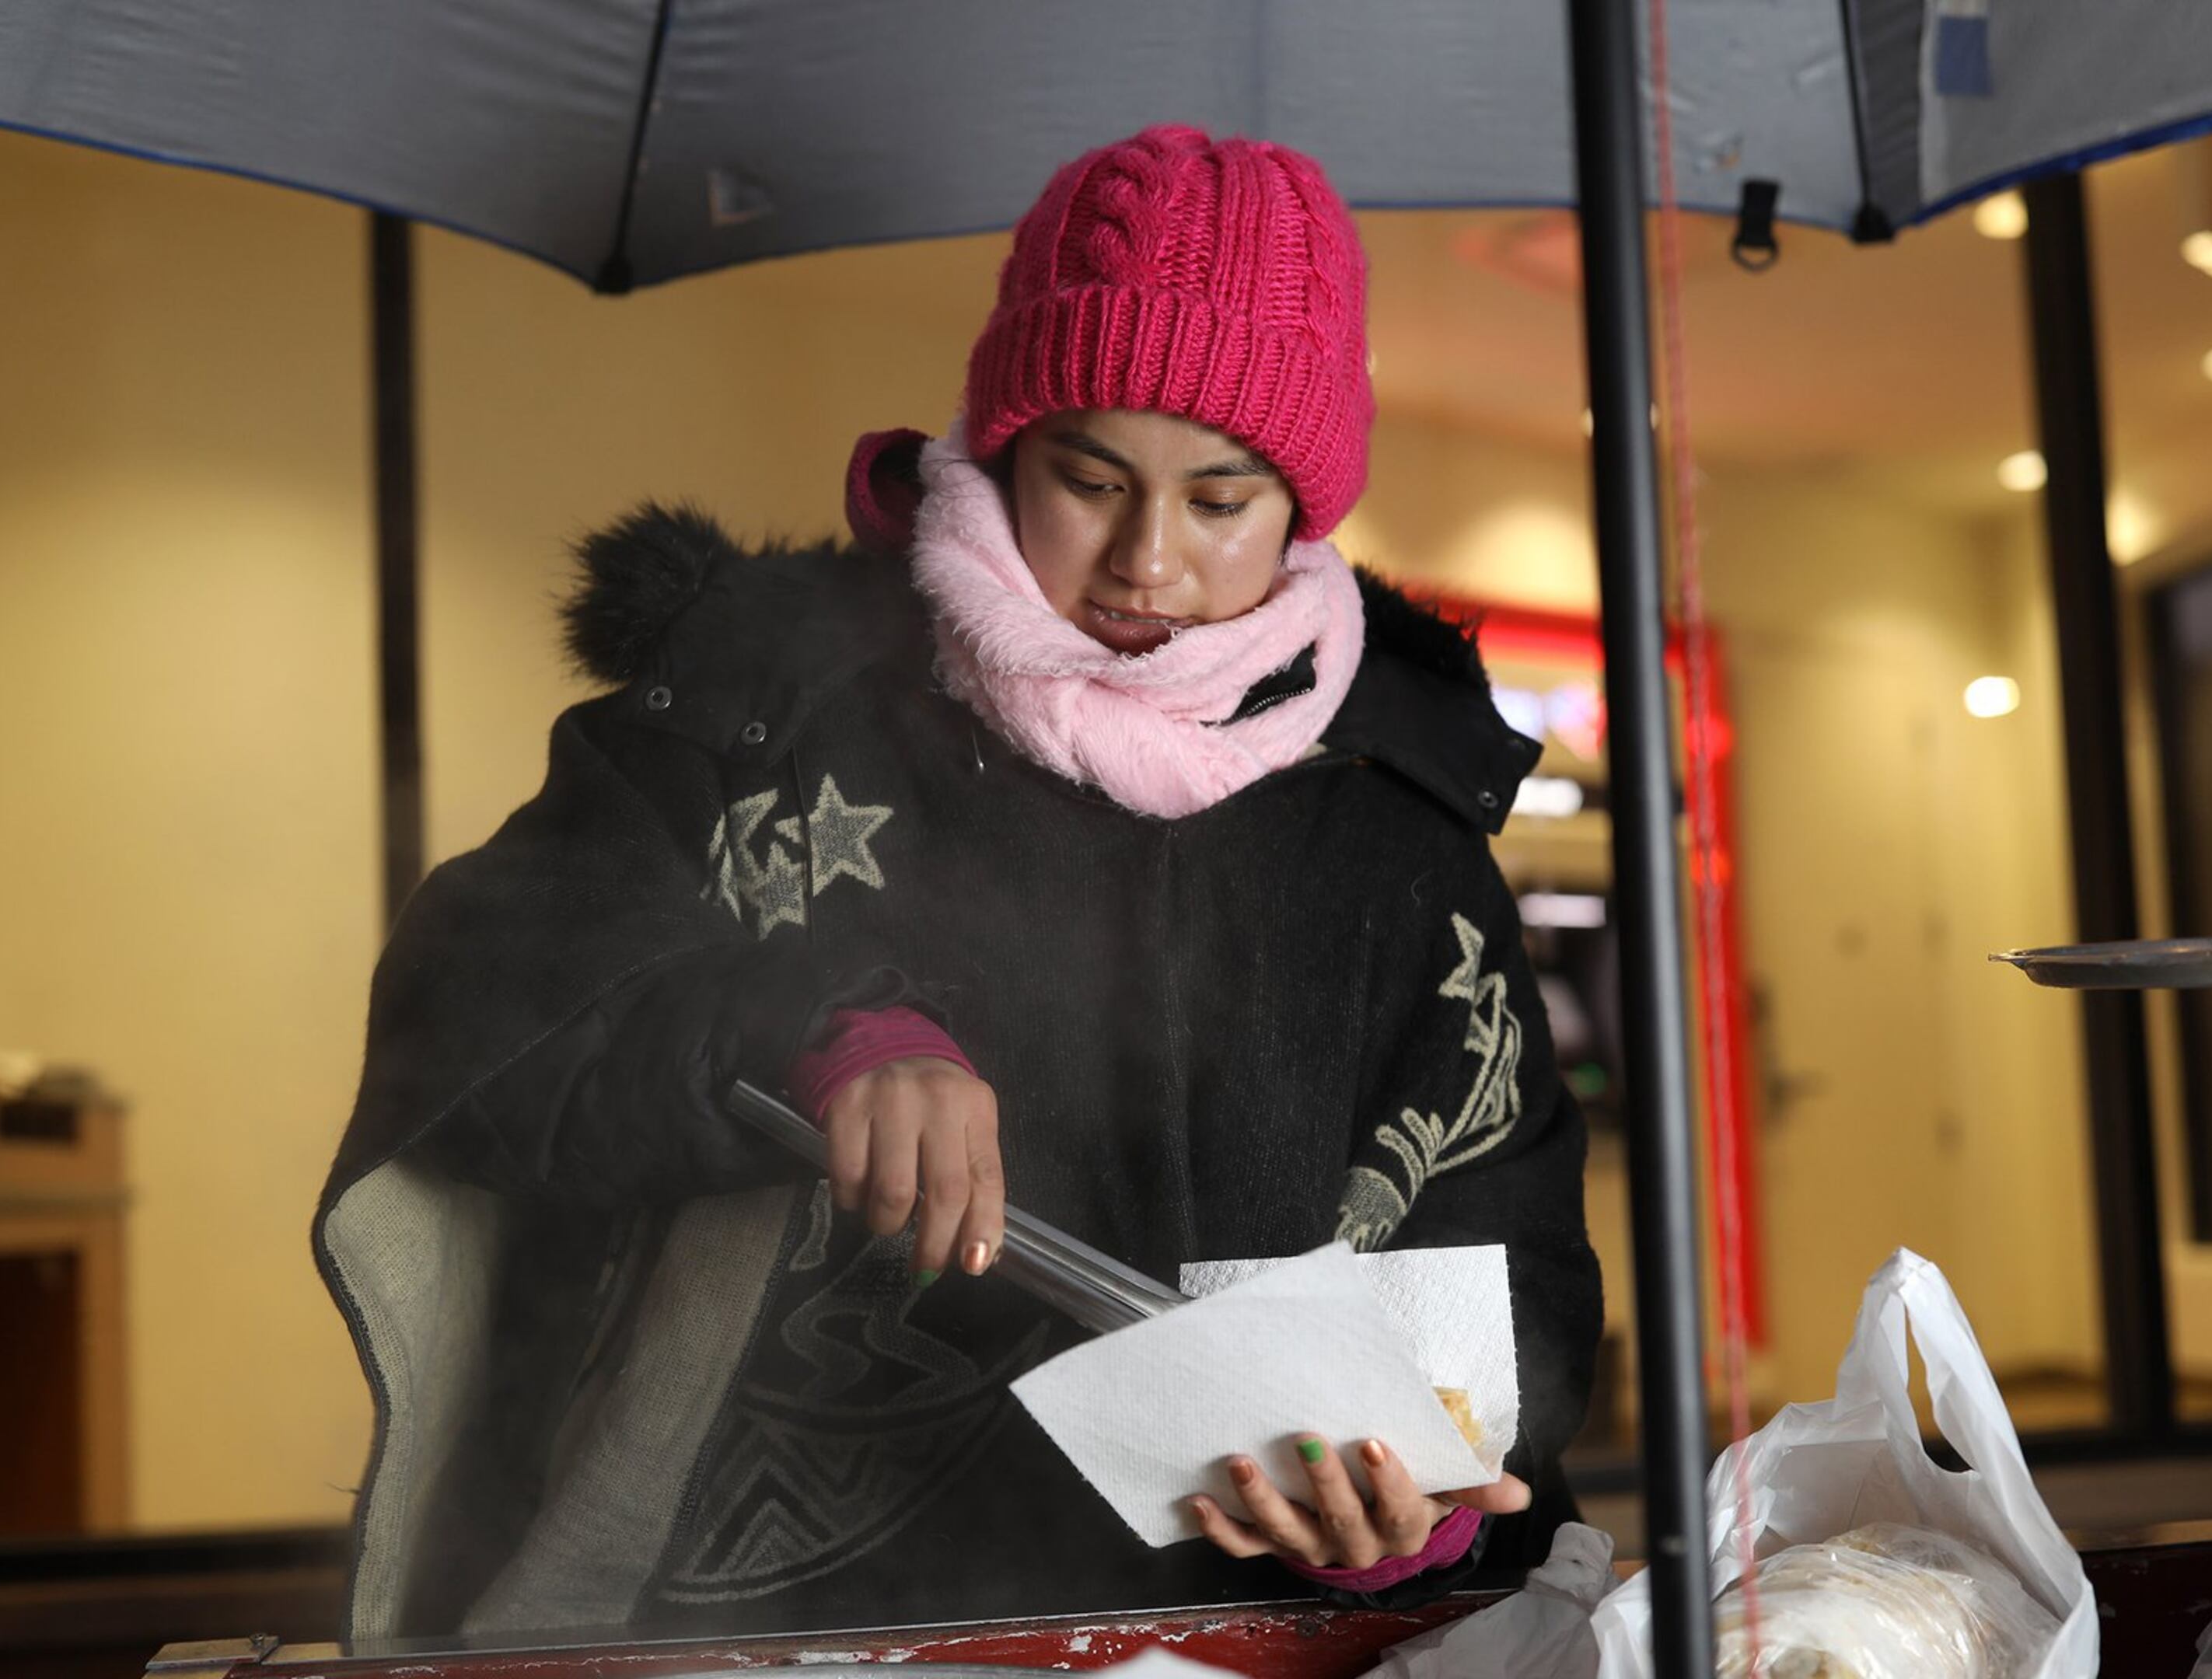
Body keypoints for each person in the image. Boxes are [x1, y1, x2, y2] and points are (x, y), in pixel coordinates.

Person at [314, 124, 1603, 1645]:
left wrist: (1420, 1499)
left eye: (1222, 498)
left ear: (1303, 509)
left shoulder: (1396, 820)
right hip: (768, 1619)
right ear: (1003, 442)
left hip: (1249, 1620)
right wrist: (826, 1024)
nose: (1148, 559)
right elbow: (490, 997)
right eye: (1092, 477)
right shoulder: (768, 706)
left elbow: (1499, 1221)